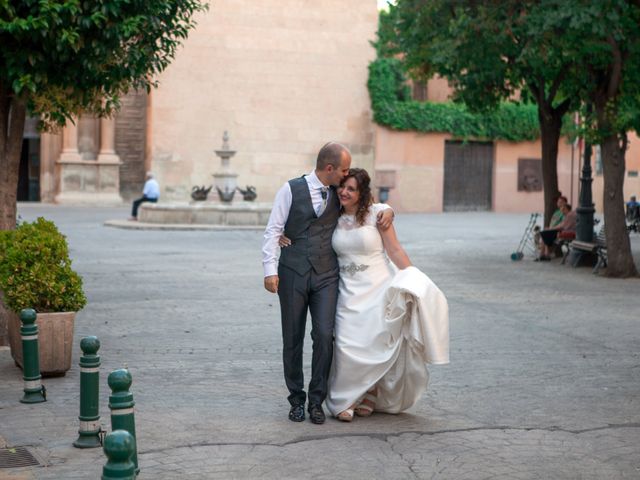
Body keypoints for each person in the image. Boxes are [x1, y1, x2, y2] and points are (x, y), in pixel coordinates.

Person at [262, 143, 394, 425]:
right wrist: (269, 270)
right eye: (344, 169)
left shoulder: (339, 193)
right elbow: (273, 229)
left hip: (326, 275)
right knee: (293, 338)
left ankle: (316, 400)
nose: (346, 177)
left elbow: (369, 205)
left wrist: (389, 209)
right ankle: (296, 400)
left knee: (324, 335)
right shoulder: (290, 189)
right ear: (330, 168)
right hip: (293, 271)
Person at [322, 168, 449, 421]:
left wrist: (414, 277)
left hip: (378, 285)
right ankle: (346, 398)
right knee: (347, 342)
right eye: (342, 187)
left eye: (351, 189)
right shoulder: (331, 216)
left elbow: (395, 250)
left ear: (362, 193)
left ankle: (369, 392)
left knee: (375, 341)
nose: (344, 192)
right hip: (348, 288)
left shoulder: (377, 215)